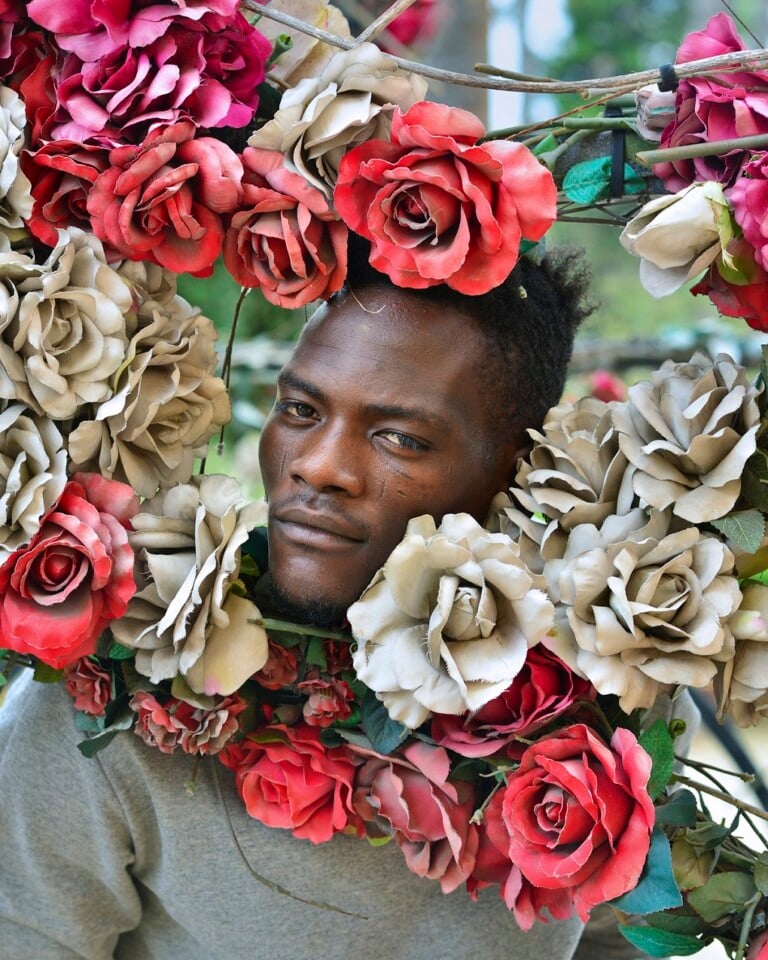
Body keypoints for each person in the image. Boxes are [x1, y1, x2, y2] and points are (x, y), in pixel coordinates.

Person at [0, 245, 631, 960]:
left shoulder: (598, 703)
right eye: (300, 408)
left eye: (400, 437)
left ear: (518, 469)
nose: (319, 466)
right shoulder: (107, 709)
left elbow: (615, 943)